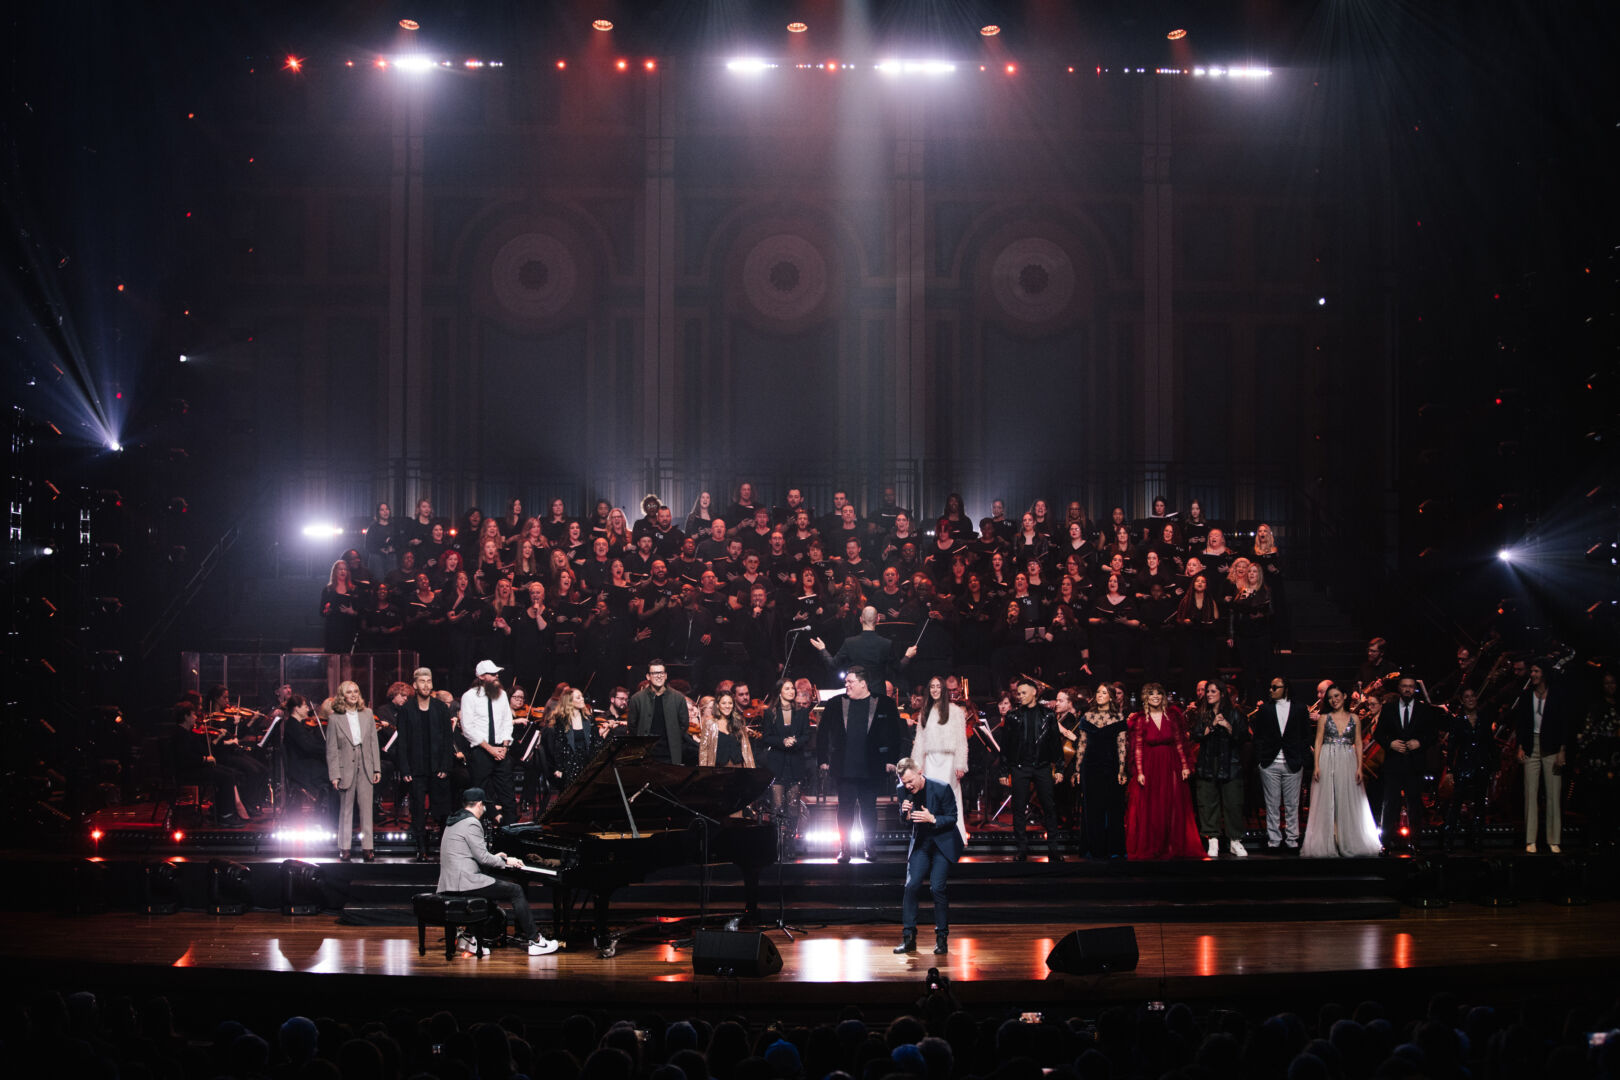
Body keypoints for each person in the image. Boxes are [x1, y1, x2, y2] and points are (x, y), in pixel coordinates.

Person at [437, 787, 559, 956]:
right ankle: (536, 941)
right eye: (484, 805)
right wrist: (507, 861)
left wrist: (496, 857)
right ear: (479, 804)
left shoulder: (454, 821)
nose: (484, 809)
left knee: (491, 889)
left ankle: (469, 938)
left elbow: (470, 854)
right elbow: (483, 858)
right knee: (516, 890)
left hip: (450, 882)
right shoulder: (472, 822)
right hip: (465, 881)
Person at [817, 666, 905, 863]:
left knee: (869, 809)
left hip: (871, 766)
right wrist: (822, 759)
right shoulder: (835, 703)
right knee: (845, 809)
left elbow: (895, 733)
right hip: (844, 767)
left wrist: (892, 759)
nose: (846, 685)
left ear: (863, 684)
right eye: (846, 682)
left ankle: (869, 847)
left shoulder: (884, 703)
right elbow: (822, 733)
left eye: (850, 682)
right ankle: (845, 849)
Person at [1300, 685, 1382, 858]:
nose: (1334, 700)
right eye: (1330, 697)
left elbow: (1358, 743)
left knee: (1346, 797)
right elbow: (1318, 742)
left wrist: (1359, 767)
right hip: (1327, 757)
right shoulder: (1324, 718)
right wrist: (1317, 766)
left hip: (1347, 759)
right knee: (1328, 797)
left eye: (1336, 696)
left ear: (1344, 696)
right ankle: (1330, 839)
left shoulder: (1354, 718)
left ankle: (1346, 838)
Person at [894, 757, 963, 957]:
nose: (908, 786)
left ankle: (942, 939)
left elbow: (952, 818)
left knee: (937, 887)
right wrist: (906, 815)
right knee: (911, 885)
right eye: (904, 782)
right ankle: (909, 939)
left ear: (919, 773)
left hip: (942, 842)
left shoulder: (941, 788)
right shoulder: (902, 790)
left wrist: (932, 818)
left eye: (910, 781)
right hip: (922, 842)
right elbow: (905, 822)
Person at [1125, 684, 1203, 860]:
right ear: (1145, 697)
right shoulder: (1140, 719)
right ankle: (1154, 845)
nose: (1155, 696)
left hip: (1170, 764)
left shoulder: (1173, 716)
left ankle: (1172, 845)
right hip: (1150, 765)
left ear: (1163, 697)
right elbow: (1137, 747)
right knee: (1152, 806)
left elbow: (1180, 742)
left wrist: (1185, 766)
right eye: (1151, 694)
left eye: (1158, 693)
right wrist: (1139, 771)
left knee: (1171, 804)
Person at [1002, 678, 1064, 862]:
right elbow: (1006, 746)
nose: (1020, 696)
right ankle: (1022, 849)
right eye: (1018, 693)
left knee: (1049, 807)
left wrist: (1059, 768)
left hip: (1042, 766)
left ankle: (1053, 849)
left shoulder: (1048, 715)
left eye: (1023, 693)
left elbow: (1055, 743)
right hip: (1020, 767)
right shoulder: (1012, 716)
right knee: (1019, 808)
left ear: (1034, 692)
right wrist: (1004, 771)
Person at [1375, 676, 1437, 853]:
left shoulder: (1424, 709)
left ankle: (1416, 843)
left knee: (1415, 804)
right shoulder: (1389, 708)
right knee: (1390, 804)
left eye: (1411, 686)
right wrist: (1390, 743)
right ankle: (1385, 843)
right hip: (1394, 763)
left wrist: (1420, 742)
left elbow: (1432, 734)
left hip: (1414, 763)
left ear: (1415, 688)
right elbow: (1379, 734)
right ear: (1399, 688)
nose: (1408, 689)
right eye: (1404, 686)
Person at [397, 667, 454, 861]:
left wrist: (445, 766)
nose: (426, 685)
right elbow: (402, 742)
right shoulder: (406, 709)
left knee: (442, 809)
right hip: (416, 769)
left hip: (438, 768)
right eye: (422, 681)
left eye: (429, 681)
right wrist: (405, 768)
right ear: (414, 685)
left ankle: (443, 847)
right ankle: (421, 848)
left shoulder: (440, 708)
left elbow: (448, 739)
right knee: (418, 810)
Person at [1512, 659, 1569, 854]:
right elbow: (1521, 723)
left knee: (1553, 794)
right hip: (1531, 746)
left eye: (1536, 671)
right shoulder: (1526, 695)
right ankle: (1530, 839)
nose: (1533, 675)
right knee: (1530, 793)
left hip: (1551, 747)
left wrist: (1562, 750)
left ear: (1544, 673)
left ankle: (1553, 839)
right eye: (1532, 671)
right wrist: (1520, 746)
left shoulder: (1557, 695)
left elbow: (1563, 724)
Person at [1189, 680, 1249, 858]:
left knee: (1233, 802)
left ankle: (1235, 840)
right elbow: (1196, 735)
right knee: (1207, 801)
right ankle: (1212, 839)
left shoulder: (1235, 713)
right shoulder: (1202, 713)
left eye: (1213, 691)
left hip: (1230, 763)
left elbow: (1243, 737)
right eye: (1207, 691)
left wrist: (1228, 726)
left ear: (1222, 694)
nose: (1208, 694)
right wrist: (1212, 725)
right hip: (1207, 763)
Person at [324, 681, 382, 862]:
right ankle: (345, 847)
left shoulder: (367, 714)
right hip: (345, 767)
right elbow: (332, 749)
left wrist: (376, 768)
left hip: (365, 764)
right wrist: (335, 774)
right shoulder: (335, 718)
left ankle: (368, 848)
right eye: (349, 692)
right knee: (346, 809)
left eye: (356, 691)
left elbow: (373, 742)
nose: (354, 695)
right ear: (342, 696)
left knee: (366, 809)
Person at [910, 676, 970, 846]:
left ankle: (956, 836)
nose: (935, 690)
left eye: (938, 686)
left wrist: (960, 764)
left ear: (943, 689)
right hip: (930, 760)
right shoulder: (925, 712)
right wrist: (917, 765)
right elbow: (920, 741)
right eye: (932, 687)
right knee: (931, 797)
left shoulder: (956, 711)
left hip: (949, 761)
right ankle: (933, 836)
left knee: (951, 796)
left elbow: (961, 740)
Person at [1252, 676, 1311, 853]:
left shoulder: (1299, 708)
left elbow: (1305, 735)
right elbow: (1258, 736)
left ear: (1285, 688)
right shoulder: (1265, 709)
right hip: (1270, 763)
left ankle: (1292, 840)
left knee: (1293, 804)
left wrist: (1301, 759)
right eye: (1270, 687)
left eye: (1275, 687)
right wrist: (1261, 759)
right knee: (1272, 805)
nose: (1271, 690)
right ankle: (1274, 840)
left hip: (1292, 762)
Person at [461, 660, 517, 828]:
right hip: (481, 750)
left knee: (508, 795)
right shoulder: (469, 696)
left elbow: (507, 722)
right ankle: (481, 830)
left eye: (497, 673)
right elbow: (468, 728)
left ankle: (511, 833)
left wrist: (504, 747)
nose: (496, 676)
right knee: (479, 795)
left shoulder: (502, 695)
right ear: (481, 676)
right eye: (492, 674)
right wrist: (490, 749)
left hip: (501, 749)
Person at [759, 678, 811, 858]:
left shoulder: (802, 712)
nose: (791, 691)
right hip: (777, 763)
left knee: (793, 806)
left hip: (795, 763)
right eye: (787, 688)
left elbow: (806, 735)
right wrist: (782, 741)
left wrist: (795, 741)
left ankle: (790, 843)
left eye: (792, 689)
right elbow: (766, 737)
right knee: (777, 806)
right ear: (779, 691)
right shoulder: (770, 713)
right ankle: (777, 844)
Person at [811, 606, 906, 695]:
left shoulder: (850, 643)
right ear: (878, 619)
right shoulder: (886, 644)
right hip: (878, 695)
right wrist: (908, 656)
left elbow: (833, 665)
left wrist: (822, 649)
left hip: (856, 694)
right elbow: (898, 667)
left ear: (860, 619)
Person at [1444, 688, 1495, 852]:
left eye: (1473, 696)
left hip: (1481, 765)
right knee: (1457, 802)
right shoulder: (1457, 721)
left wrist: (1495, 766)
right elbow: (1452, 746)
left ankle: (1477, 839)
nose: (1471, 699)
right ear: (1462, 700)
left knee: (1480, 804)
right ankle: (1449, 839)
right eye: (1467, 697)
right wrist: (1450, 769)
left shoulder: (1484, 719)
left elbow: (1490, 743)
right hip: (1463, 765)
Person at [628, 659, 699, 764]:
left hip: (670, 754)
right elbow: (632, 726)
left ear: (666, 675)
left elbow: (683, 725)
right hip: (645, 754)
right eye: (654, 673)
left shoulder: (678, 698)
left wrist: (673, 738)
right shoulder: (637, 699)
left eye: (661, 673)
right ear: (648, 676)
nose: (659, 676)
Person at [541, 686, 603, 791]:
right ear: (570, 702)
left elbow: (596, 742)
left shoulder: (589, 719)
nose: (582, 699)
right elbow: (559, 746)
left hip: (587, 761)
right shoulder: (561, 720)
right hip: (569, 763)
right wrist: (559, 768)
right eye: (578, 697)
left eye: (582, 697)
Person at [701, 689, 758, 767]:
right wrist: (703, 771)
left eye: (730, 703)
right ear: (717, 705)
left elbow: (747, 749)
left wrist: (751, 768)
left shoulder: (739, 722)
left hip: (738, 767)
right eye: (724, 703)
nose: (727, 706)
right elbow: (703, 751)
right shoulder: (710, 724)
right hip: (718, 769)